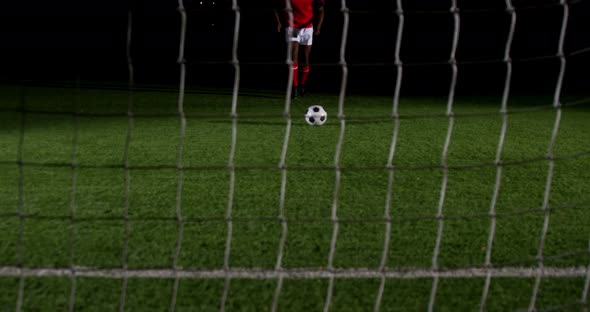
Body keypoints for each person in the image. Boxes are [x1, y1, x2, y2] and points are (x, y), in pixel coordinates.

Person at [274, 0, 325, 98]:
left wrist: (318, 27)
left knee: (305, 58)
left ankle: (302, 84)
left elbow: (321, 10)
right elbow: (276, 7)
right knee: (293, 56)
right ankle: (295, 87)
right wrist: (279, 23)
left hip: (307, 28)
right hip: (292, 27)